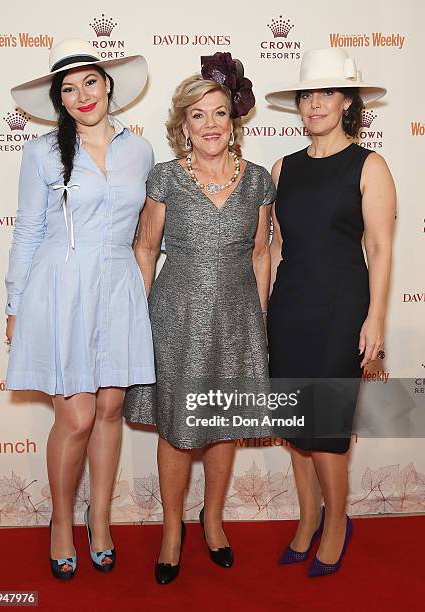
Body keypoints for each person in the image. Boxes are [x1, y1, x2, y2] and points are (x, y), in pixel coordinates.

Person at [5, 38, 154, 580]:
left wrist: (143, 292)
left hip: (119, 286)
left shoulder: (141, 150)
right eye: (68, 88)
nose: (81, 94)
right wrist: (15, 302)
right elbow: (28, 229)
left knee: (110, 410)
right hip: (61, 286)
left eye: (90, 81)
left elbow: (145, 234)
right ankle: (61, 522)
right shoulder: (42, 152)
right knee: (77, 416)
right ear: (58, 99)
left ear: (108, 85)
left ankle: (102, 520)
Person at [124, 52, 276, 584]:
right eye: (198, 115)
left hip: (236, 318)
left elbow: (261, 255)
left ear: (233, 120)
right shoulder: (164, 177)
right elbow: (145, 249)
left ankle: (212, 521)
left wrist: (260, 320)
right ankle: (172, 529)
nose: (210, 124)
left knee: (223, 424)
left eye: (219, 112)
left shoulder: (257, 180)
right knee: (175, 430)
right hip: (176, 316)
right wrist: (136, 322)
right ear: (182, 126)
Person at [265, 48, 396, 577]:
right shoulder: (283, 168)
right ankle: (306, 518)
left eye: (327, 93)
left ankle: (336, 525)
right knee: (296, 427)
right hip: (290, 306)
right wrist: (264, 310)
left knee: (326, 429)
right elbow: (274, 248)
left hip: (342, 307)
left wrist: (377, 318)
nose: (315, 103)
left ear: (347, 102)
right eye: (307, 94)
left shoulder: (370, 165)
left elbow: (382, 249)